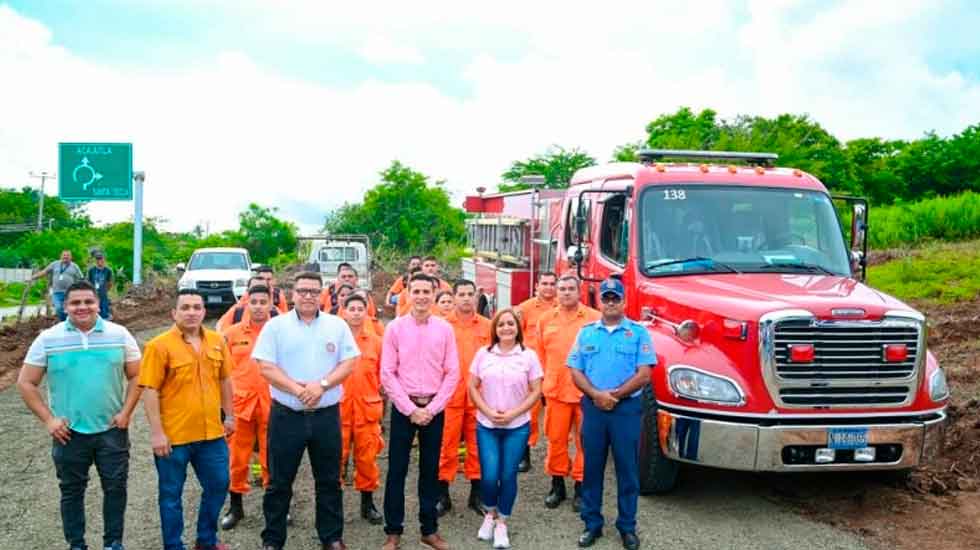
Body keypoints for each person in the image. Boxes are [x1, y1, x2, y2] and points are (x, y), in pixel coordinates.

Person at [17, 280, 142, 550]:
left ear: (98, 304)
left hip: (112, 430)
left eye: (88, 301)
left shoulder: (119, 334)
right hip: (69, 434)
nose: (82, 307)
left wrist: (126, 412)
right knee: (72, 492)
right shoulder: (48, 339)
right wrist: (49, 420)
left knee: (115, 489)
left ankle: (113, 543)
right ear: (65, 305)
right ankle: (76, 544)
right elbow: (26, 382)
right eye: (75, 302)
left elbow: (137, 375)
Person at [253, 271, 359, 550]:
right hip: (286, 415)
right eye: (302, 291)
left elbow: (349, 362)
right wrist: (297, 389)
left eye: (314, 291)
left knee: (329, 481)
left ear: (322, 294)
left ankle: (332, 537)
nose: (308, 296)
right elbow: (265, 366)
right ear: (292, 294)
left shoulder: (337, 326)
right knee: (279, 482)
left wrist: (321, 385)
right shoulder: (276, 327)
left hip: (325, 416)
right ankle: (273, 540)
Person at [139, 289, 235, 550]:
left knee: (218, 485)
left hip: (212, 435)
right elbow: (149, 390)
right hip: (174, 437)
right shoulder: (159, 346)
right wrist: (157, 433)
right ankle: (173, 545)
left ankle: (206, 540)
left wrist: (230, 416)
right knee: (171, 496)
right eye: (185, 307)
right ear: (174, 313)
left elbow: (225, 380)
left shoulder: (217, 341)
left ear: (204, 311)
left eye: (196, 307)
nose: (191, 312)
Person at [568, 278, 655, 550]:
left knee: (627, 469)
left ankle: (627, 527)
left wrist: (613, 396)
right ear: (600, 302)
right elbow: (575, 370)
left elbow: (644, 374)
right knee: (592, 467)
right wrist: (597, 395)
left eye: (615, 298)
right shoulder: (586, 333)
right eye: (606, 298)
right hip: (594, 409)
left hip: (625, 409)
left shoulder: (638, 333)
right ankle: (592, 524)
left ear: (624, 301)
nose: (610, 303)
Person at [380, 273, 459, 550]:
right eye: (417, 291)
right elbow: (387, 373)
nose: (422, 296)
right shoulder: (395, 328)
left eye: (427, 291)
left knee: (430, 470)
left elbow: (452, 373)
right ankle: (393, 532)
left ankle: (429, 530)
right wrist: (410, 409)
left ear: (435, 294)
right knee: (396, 471)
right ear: (408, 293)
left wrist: (433, 408)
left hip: (434, 408)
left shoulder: (445, 329)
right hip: (404, 408)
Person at [468, 309, 543, 549]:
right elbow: (472, 385)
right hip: (487, 424)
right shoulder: (483, 354)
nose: (506, 328)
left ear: (518, 328)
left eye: (511, 324)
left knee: (508, 475)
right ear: (495, 329)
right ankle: (489, 513)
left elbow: (536, 391)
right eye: (501, 324)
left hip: (517, 426)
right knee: (489, 476)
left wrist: (513, 413)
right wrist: (488, 411)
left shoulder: (528, 356)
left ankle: (502, 522)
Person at [536, 274, 600, 512]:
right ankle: (557, 484)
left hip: (586, 393)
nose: (565, 292)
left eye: (570, 288)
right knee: (556, 440)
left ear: (579, 290)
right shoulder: (545, 320)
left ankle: (581, 487)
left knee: (586, 442)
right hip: (556, 392)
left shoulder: (594, 319)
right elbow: (540, 355)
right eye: (561, 288)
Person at [219, 285, 275, 531]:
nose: (259, 306)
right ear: (247, 304)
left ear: (271, 303)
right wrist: (224, 410)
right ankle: (236, 508)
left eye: (264, 301)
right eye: (254, 302)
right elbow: (221, 375)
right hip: (240, 406)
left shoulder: (280, 331)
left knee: (273, 459)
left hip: (273, 405)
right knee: (237, 460)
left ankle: (276, 509)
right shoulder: (230, 334)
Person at [437, 279, 491, 517]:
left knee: (478, 447)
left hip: (480, 398)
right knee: (445, 447)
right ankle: (442, 495)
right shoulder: (441, 326)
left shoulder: (489, 326)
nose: (466, 298)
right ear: (454, 297)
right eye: (462, 294)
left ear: (477, 296)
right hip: (449, 397)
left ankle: (476, 494)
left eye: (471, 294)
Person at [339, 293, 385, 525]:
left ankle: (368, 504)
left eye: (360, 308)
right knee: (335, 458)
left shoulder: (376, 342)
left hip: (367, 410)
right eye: (352, 308)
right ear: (344, 311)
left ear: (366, 312)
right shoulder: (334, 340)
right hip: (339, 409)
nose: (356, 312)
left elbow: (384, 376)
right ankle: (333, 505)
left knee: (367, 459)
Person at [514, 271, 558, 472]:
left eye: (552, 283)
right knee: (528, 414)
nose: (548, 287)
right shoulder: (525, 309)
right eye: (545, 283)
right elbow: (515, 337)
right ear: (536, 286)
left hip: (555, 371)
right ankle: (524, 453)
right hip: (530, 372)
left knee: (556, 417)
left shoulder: (562, 307)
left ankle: (556, 457)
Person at [31, 249, 85, 321]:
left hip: (69, 293)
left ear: (71, 257)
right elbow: (44, 272)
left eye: (68, 255)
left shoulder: (74, 266)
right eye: (64, 255)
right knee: (59, 308)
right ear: (61, 256)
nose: (65, 257)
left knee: (69, 309)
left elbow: (81, 279)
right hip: (57, 292)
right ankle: (64, 322)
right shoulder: (55, 264)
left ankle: (68, 322)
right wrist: (33, 277)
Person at [216, 276, 281, 331]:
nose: (258, 291)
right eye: (254, 288)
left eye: (262, 288)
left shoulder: (276, 314)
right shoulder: (237, 311)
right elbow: (221, 330)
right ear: (247, 291)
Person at [87, 252, 114, 319]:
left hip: (103, 292)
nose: (99, 261)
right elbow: (88, 281)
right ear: (95, 260)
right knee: (94, 307)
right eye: (98, 259)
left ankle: (106, 319)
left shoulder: (108, 270)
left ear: (104, 259)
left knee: (104, 307)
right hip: (93, 292)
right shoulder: (91, 270)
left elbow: (110, 282)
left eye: (101, 259)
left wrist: (106, 289)